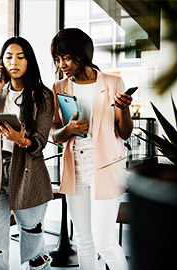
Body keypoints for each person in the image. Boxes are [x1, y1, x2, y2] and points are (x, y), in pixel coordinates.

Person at [50, 28, 133, 270]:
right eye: (58, 59)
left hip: (107, 168)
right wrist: (69, 130)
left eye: (66, 57)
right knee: (83, 240)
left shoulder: (112, 82)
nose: (62, 64)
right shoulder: (59, 87)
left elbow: (125, 133)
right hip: (75, 169)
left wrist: (125, 110)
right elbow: (55, 134)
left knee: (104, 241)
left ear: (82, 53)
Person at [0, 36, 54, 270]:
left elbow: (41, 141)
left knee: (33, 245)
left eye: (20, 57)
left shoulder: (42, 96)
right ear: (1, 63)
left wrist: (22, 140)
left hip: (28, 175)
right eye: (8, 57)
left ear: (29, 62)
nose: (13, 62)